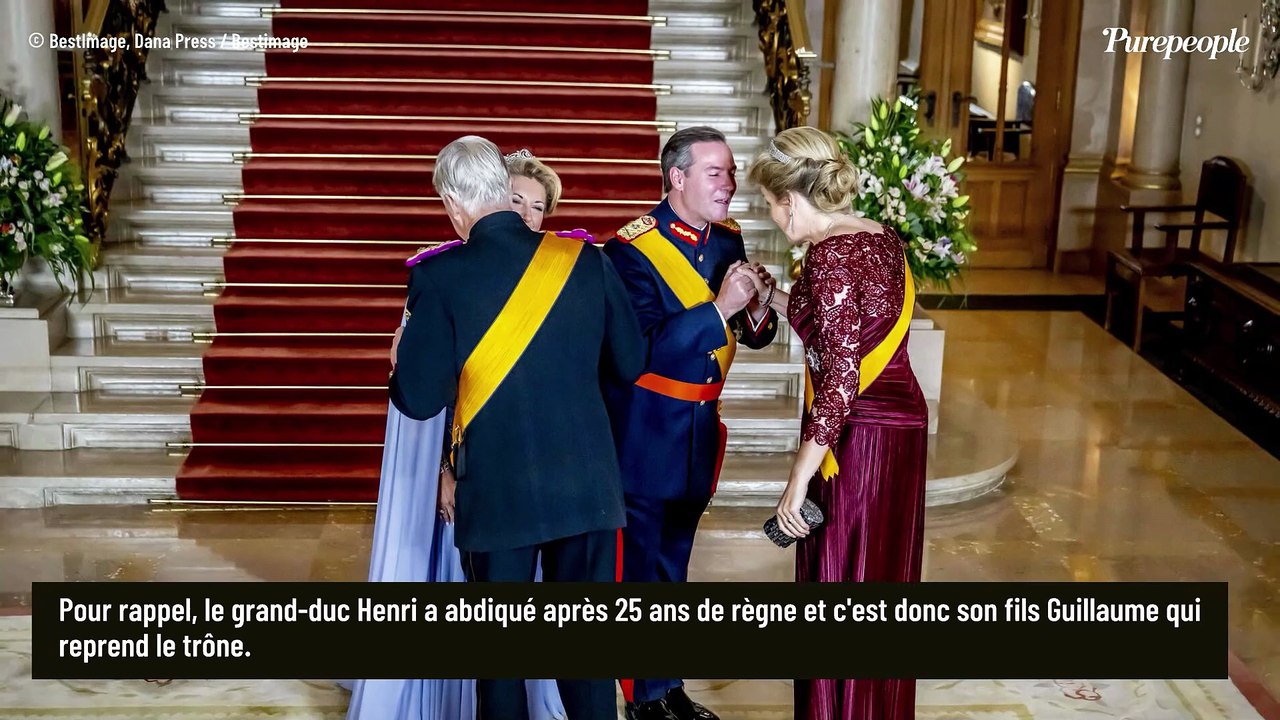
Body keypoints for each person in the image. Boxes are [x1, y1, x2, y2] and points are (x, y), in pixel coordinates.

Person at [390, 135, 645, 720]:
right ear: (504, 194)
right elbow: (630, 364)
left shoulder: (441, 277)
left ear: (455, 203)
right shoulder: (585, 259)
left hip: (499, 496)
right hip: (587, 489)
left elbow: (420, 400)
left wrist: (401, 357)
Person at [345, 149, 584, 720]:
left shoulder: (569, 268)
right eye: (516, 199)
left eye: (536, 206)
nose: (525, 213)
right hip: (469, 455)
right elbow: (444, 390)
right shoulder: (447, 273)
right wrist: (446, 467)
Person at [745, 125, 928, 720]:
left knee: (839, 587)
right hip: (900, 427)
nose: (774, 219)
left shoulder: (827, 257)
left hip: (856, 442)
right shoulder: (880, 236)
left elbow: (840, 380)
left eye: (770, 206)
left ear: (791, 199)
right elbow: (844, 328)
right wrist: (775, 299)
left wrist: (795, 482)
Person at [601, 126, 779, 720]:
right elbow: (641, 351)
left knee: (674, 572)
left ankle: (667, 685)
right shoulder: (629, 250)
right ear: (676, 178)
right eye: (715, 173)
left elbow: (745, 335)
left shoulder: (728, 239)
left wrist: (753, 313)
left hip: (700, 432)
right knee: (638, 575)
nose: (729, 185)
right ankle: (638, 695)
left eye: (730, 172)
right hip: (645, 432)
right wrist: (722, 307)